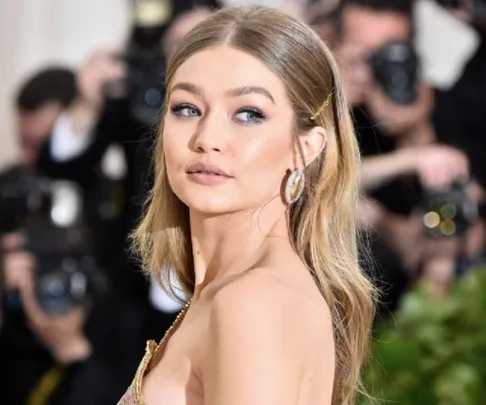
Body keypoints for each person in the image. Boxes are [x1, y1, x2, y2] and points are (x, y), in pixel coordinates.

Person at [119, 5, 376, 405]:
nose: (207, 137)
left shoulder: (253, 303)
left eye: (249, 114)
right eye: (187, 108)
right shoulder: (231, 293)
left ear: (305, 147)